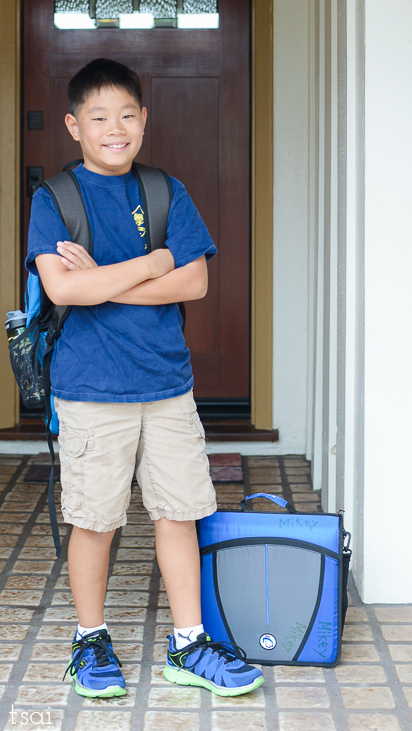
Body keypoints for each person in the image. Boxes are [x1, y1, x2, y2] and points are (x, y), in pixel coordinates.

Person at [26, 58, 263, 699]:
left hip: (167, 385)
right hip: (90, 389)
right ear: (74, 126)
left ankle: (189, 647)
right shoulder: (54, 200)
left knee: (179, 513)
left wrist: (107, 276)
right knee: (94, 519)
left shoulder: (164, 191)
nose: (115, 128)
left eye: (127, 115)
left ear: (144, 120)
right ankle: (91, 640)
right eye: (98, 117)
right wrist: (152, 263)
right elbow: (62, 288)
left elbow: (195, 280)